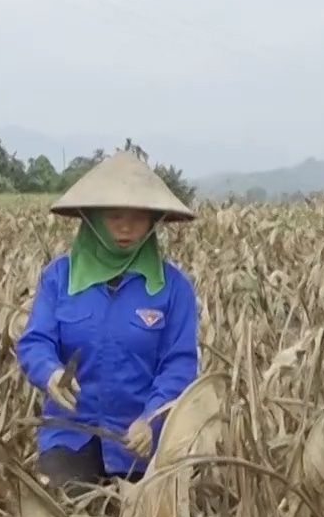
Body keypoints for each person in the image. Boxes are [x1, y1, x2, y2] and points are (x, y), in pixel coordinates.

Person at [15, 151, 199, 488]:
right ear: (93, 219)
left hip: (140, 441)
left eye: (138, 218)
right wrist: (51, 373)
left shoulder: (173, 288)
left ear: (153, 222)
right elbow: (35, 341)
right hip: (70, 435)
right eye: (114, 217)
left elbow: (179, 364)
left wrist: (152, 418)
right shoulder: (58, 277)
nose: (126, 228)